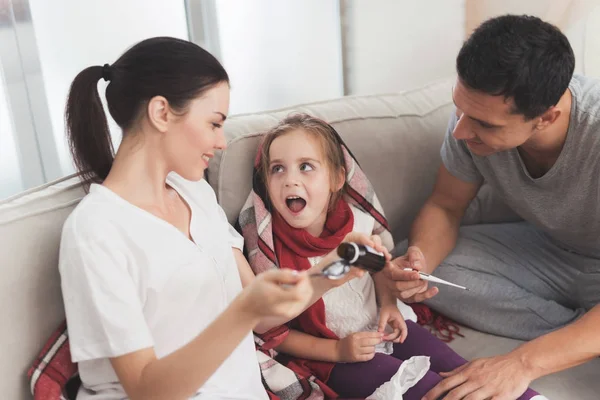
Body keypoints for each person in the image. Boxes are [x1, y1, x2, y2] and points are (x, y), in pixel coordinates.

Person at [59, 37, 374, 400]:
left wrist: (333, 269)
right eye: (214, 123)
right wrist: (241, 312)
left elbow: (262, 317)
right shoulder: (95, 231)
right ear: (161, 113)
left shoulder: (194, 192)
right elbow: (147, 389)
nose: (223, 141)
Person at [239, 113, 544, 399]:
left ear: (337, 178)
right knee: (422, 388)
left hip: (380, 327)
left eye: (306, 166)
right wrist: (339, 351)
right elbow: (275, 333)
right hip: (333, 354)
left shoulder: (355, 223)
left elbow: (380, 270)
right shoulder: (269, 250)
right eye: (277, 168)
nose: (290, 180)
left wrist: (389, 306)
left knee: (455, 367)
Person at [385, 14, 600, 400]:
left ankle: (580, 338)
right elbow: (446, 205)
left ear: (546, 117)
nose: (461, 131)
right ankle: (579, 333)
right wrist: (421, 265)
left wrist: (521, 363)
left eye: (484, 124)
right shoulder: (468, 125)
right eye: (460, 109)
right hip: (549, 254)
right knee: (417, 262)